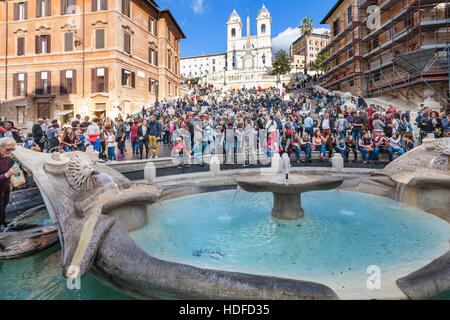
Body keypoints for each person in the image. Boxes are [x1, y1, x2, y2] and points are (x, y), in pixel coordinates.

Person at [0, 138, 21, 245]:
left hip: (5, 186)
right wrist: (7, 175)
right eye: (8, 150)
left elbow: (18, 163)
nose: (10, 152)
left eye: (13, 149)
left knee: (4, 205)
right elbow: (7, 173)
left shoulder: (9, 156)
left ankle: (2, 222)